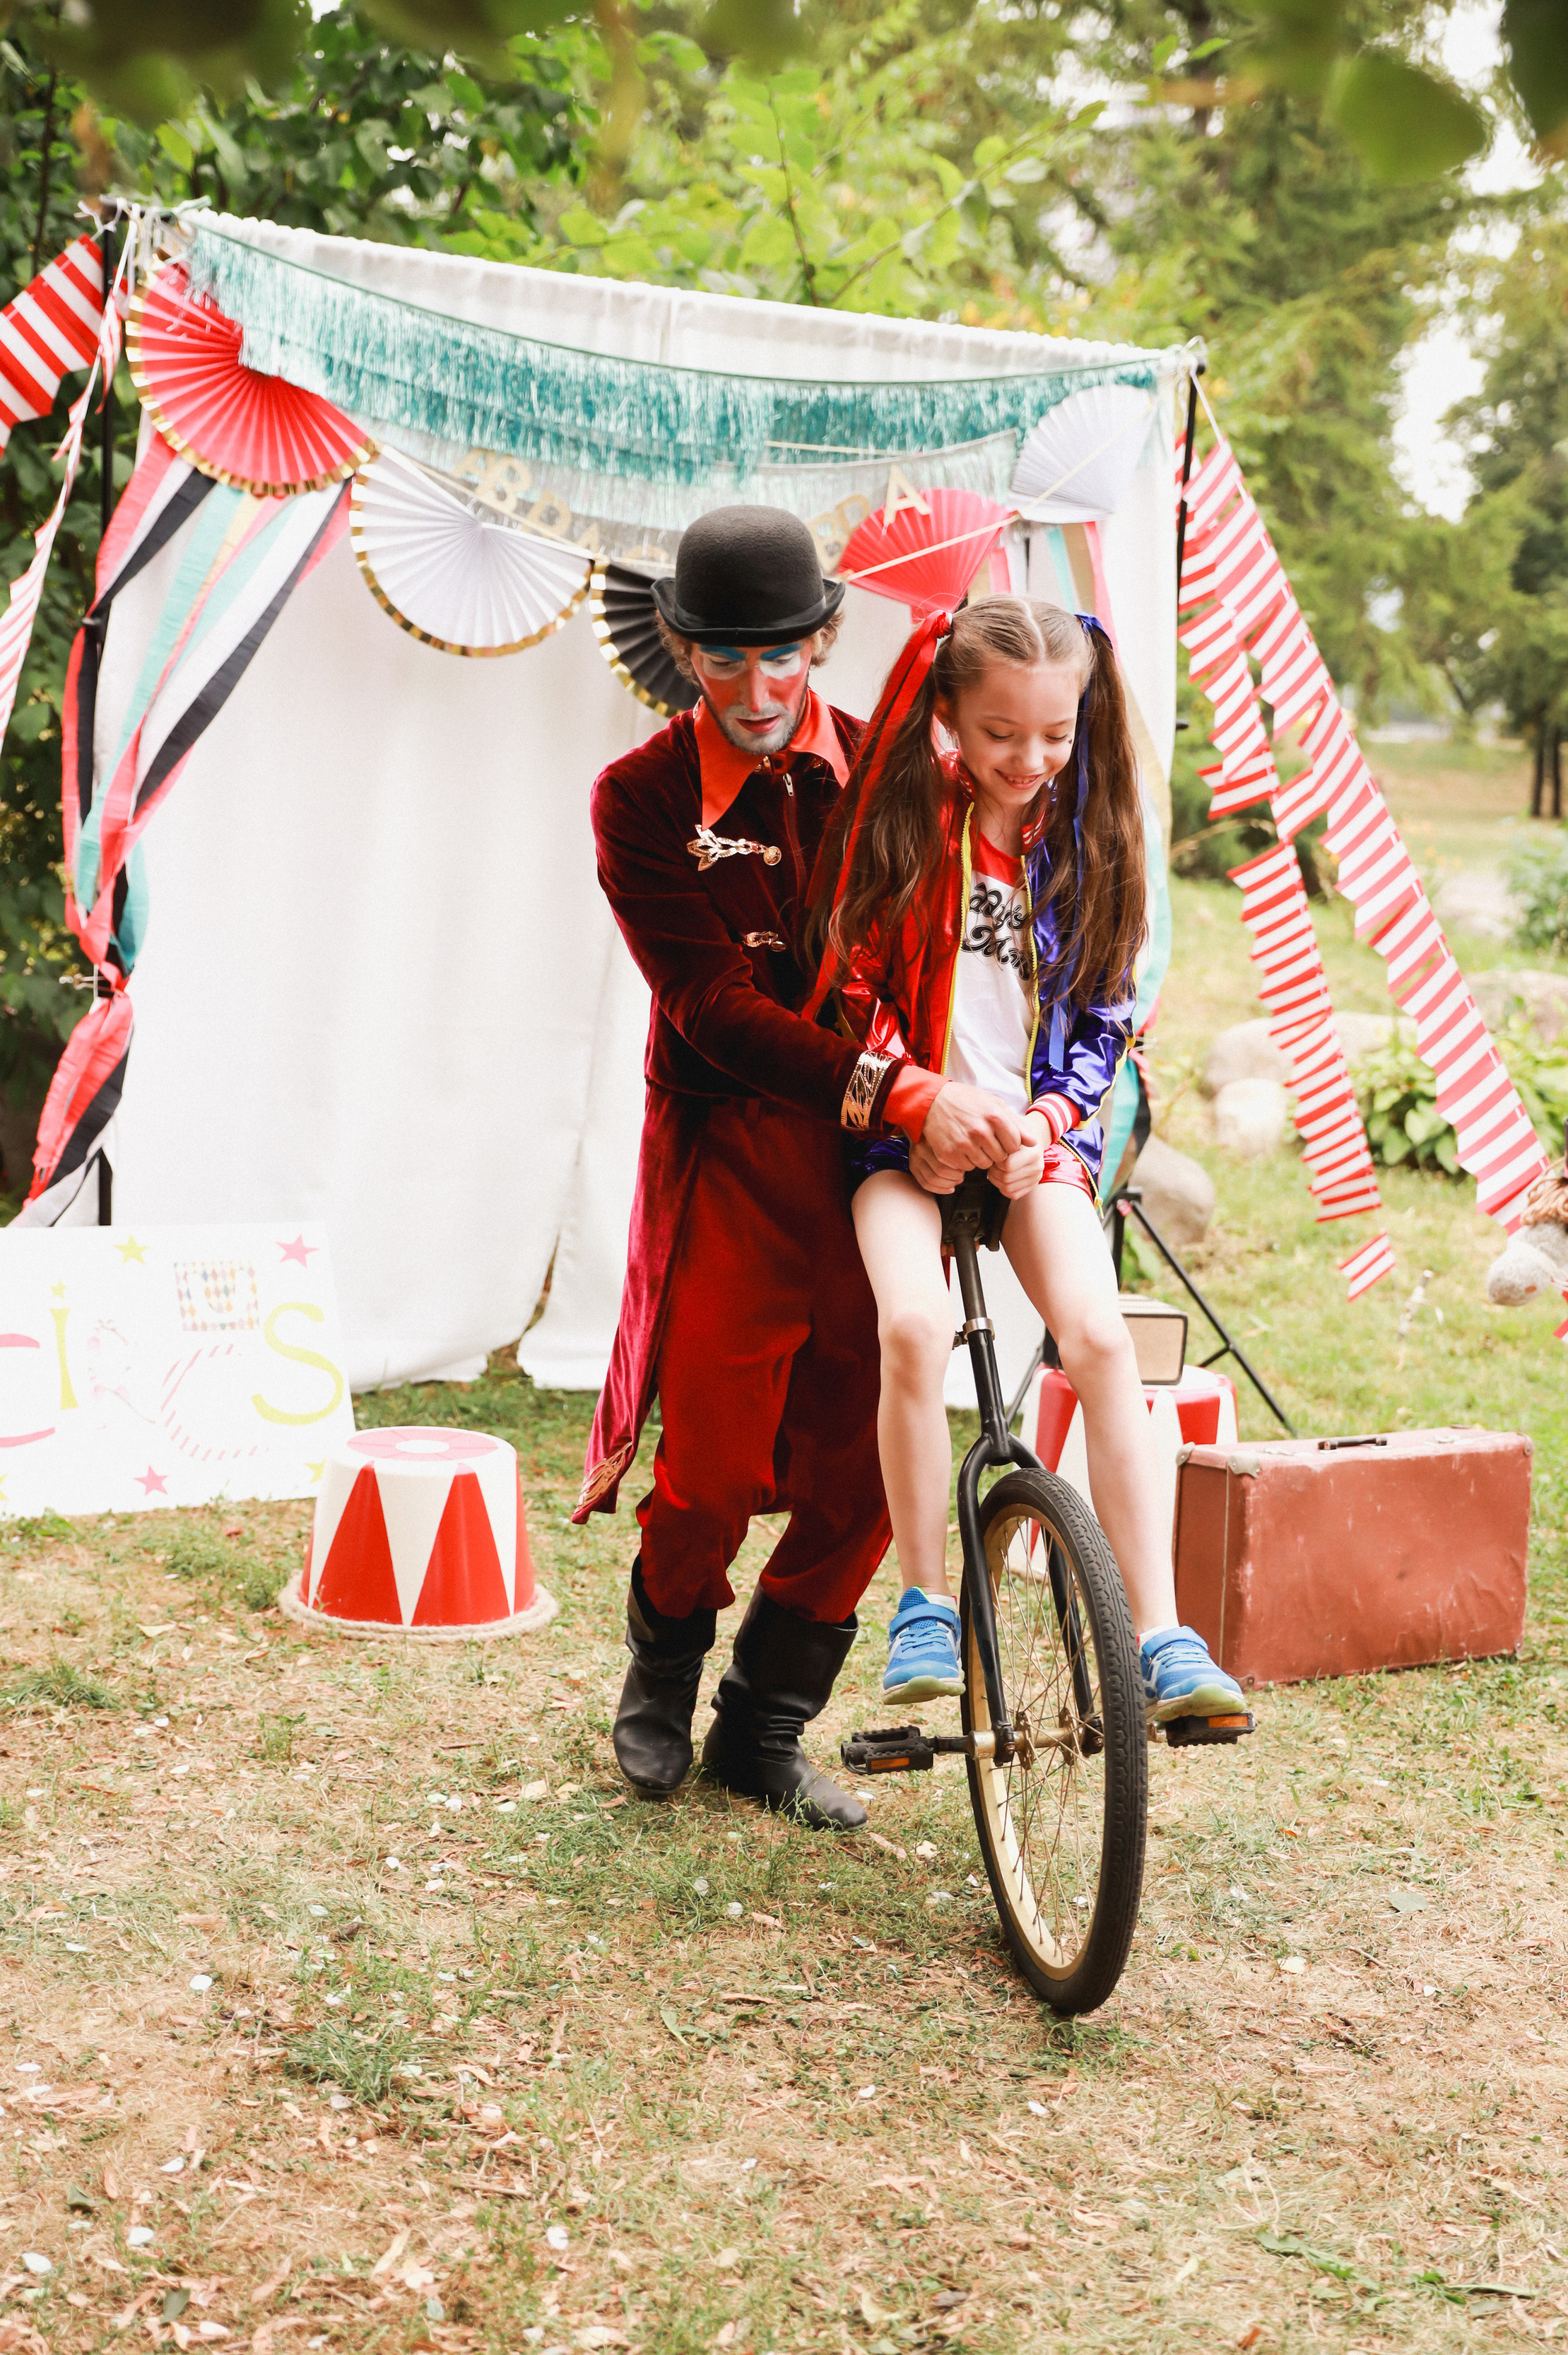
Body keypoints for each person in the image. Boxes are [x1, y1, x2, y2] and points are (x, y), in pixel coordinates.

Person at [576, 506, 1027, 1830]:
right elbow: (709, 1006)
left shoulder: (912, 780)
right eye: (724, 658)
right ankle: (660, 1679)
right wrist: (895, 1081)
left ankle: (765, 1731)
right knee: (708, 1464)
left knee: (862, 1470)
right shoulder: (640, 800)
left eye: (783, 654)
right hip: (737, 1150)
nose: (760, 690)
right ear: (681, 647)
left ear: (827, 635)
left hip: (893, 1165)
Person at [808, 596, 1246, 1722]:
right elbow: (850, 986)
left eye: (1055, 735)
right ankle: (923, 1601)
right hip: (903, 1142)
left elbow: (1104, 1017)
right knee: (910, 1326)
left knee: (1102, 1342)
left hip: (1035, 1145)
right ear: (949, 709)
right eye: (1002, 733)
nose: (1030, 758)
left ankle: (1159, 1632)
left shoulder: (1093, 837)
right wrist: (924, 1108)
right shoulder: (907, 820)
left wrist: (1051, 1125)